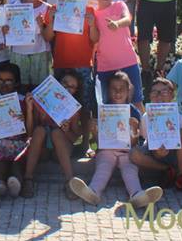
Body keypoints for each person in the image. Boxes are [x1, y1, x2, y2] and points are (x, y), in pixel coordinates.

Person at [68, 72, 163, 208]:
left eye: (121, 89)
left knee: (129, 169)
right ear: (108, 90)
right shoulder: (103, 110)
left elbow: (135, 143)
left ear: (128, 91)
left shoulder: (133, 111)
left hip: (126, 151)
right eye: (114, 88)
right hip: (106, 150)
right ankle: (93, 191)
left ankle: (137, 194)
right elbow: (98, 142)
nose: (118, 92)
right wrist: (94, 131)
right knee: (103, 167)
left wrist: (134, 130)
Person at [47, 0, 97, 139]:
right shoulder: (54, 9)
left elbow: (95, 39)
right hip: (61, 64)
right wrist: (52, 20)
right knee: (60, 105)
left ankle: (84, 145)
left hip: (83, 63)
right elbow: (47, 37)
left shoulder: (89, 9)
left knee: (84, 105)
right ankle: (63, 140)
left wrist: (92, 25)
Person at [23, 69, 84, 199]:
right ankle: (28, 179)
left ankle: (70, 181)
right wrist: (29, 109)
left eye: (72, 87)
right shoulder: (41, 102)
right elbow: (30, 132)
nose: (67, 89)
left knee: (56, 133)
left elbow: (75, 139)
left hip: (60, 151)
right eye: (64, 84)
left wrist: (66, 131)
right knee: (39, 130)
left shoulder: (73, 109)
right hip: (43, 149)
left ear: (76, 91)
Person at [90, 0, 141, 112]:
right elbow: (94, 38)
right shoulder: (92, 14)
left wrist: (117, 24)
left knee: (136, 101)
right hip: (105, 66)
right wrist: (92, 25)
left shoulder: (119, 5)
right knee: (107, 105)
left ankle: (144, 131)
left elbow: (127, 19)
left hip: (128, 61)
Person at [130, 77, 182, 191]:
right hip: (154, 154)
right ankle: (167, 169)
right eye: (154, 92)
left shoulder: (178, 116)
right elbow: (145, 137)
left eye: (164, 92)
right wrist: (157, 150)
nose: (159, 95)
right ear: (150, 96)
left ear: (172, 96)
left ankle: (181, 174)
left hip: (173, 152)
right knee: (133, 154)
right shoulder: (146, 117)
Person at [8, 0, 53, 92]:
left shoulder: (48, 9)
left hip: (40, 53)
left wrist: (42, 24)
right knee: (20, 88)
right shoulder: (13, 7)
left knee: (40, 89)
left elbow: (49, 38)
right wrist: (6, 30)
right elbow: (7, 32)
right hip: (19, 54)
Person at [0, 63, 28, 199]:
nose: (3, 84)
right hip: (0, 141)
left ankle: (15, 183)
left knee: (17, 164)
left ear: (16, 82)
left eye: (8, 81)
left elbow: (30, 128)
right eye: (0, 80)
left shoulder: (23, 100)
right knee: (0, 164)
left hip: (19, 141)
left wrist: (26, 115)